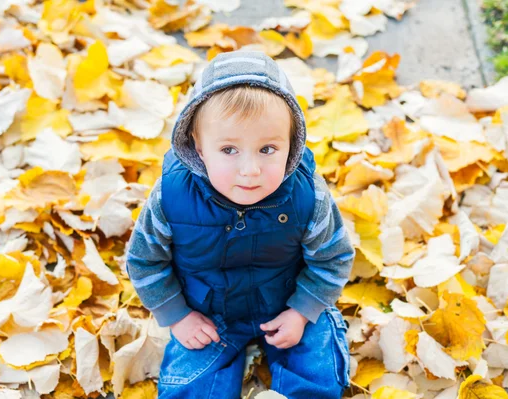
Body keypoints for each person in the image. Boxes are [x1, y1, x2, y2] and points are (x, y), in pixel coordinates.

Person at [125, 50, 355, 399]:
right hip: (208, 313)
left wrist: (302, 311)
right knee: (190, 385)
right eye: (229, 150)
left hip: (285, 301)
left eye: (267, 149)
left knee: (317, 366)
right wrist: (178, 315)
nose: (250, 170)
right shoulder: (170, 198)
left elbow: (333, 257)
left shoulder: (308, 197)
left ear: (292, 145)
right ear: (199, 148)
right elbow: (145, 259)